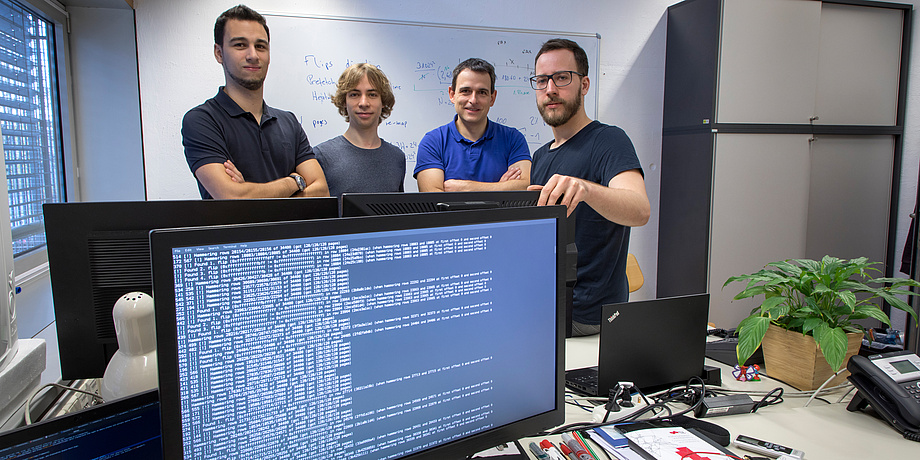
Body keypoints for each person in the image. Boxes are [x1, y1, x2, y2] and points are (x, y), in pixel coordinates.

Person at [528, 39, 650, 336]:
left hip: (589, 317)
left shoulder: (609, 141)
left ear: (584, 84)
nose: (550, 89)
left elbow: (639, 210)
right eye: (542, 80)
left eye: (561, 78)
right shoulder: (541, 156)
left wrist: (586, 189)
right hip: (546, 308)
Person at [182, 5, 328, 199]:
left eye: (260, 46)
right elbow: (233, 198)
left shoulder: (289, 122)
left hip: (294, 232)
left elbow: (321, 191)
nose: (253, 55)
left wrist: (251, 194)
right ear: (219, 53)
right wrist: (293, 182)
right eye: (240, 45)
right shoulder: (202, 121)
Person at [414, 58, 531, 192]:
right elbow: (434, 202)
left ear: (492, 98)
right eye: (466, 91)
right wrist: (500, 190)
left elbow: (525, 187)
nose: (473, 100)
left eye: (482, 92)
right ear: (452, 95)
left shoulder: (513, 138)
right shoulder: (433, 142)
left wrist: (466, 188)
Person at [313, 63, 406, 197]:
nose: (363, 103)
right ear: (344, 101)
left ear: (383, 101)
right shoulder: (322, 156)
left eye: (372, 95)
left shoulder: (397, 158)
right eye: (354, 95)